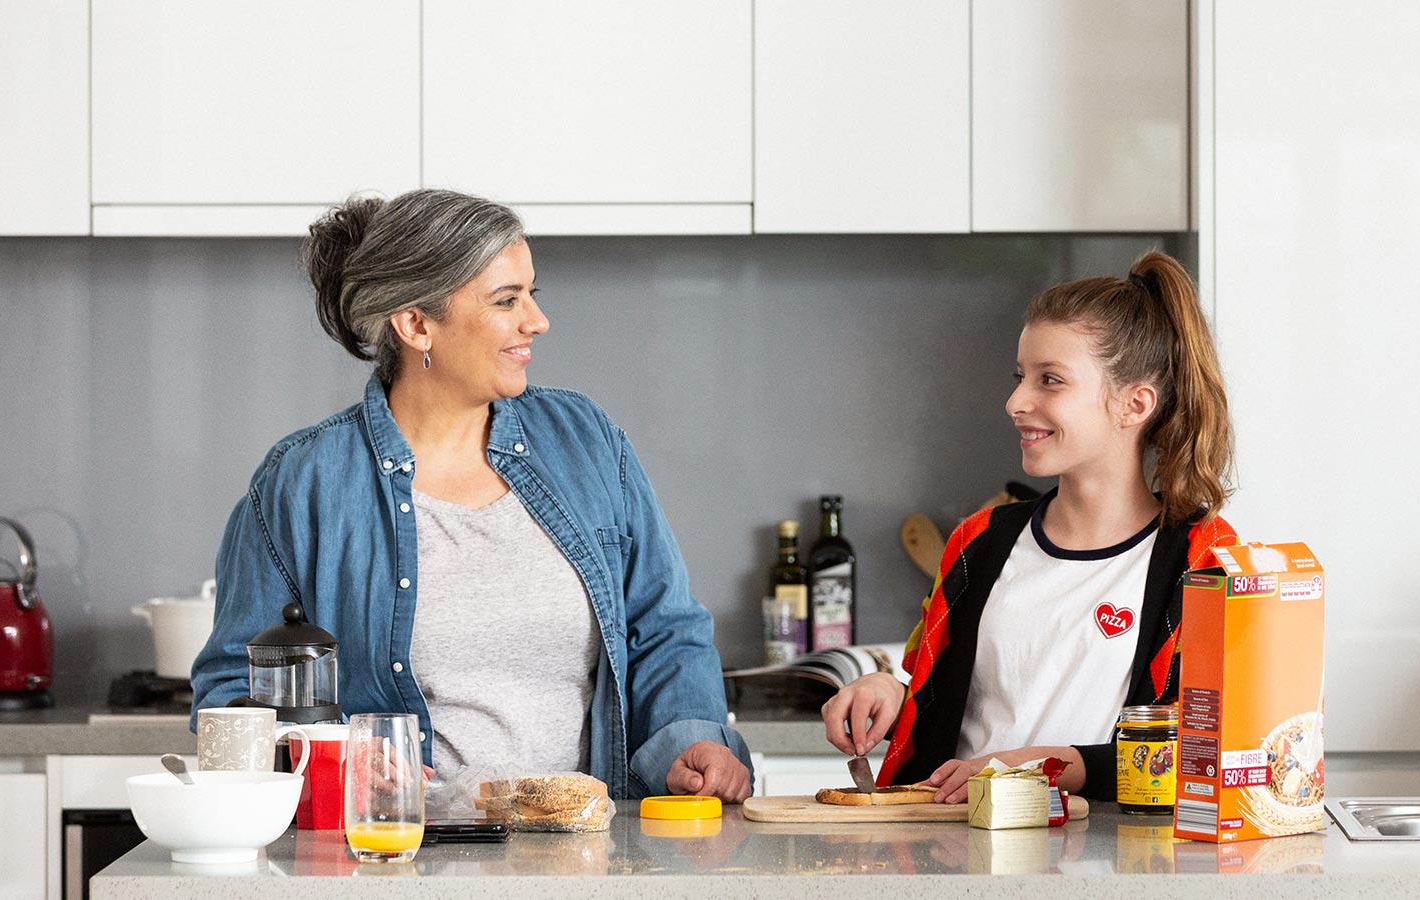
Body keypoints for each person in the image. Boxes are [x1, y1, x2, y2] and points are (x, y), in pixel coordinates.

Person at [192, 189, 752, 802]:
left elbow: (664, 625)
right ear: (416, 324)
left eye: (532, 294)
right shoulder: (303, 483)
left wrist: (691, 739)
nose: (536, 321)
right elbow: (229, 693)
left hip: (588, 852)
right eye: (506, 300)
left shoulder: (585, 440)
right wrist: (336, 759)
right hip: (397, 856)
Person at [820, 250, 1237, 802]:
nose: (1017, 401)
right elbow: (941, 701)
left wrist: (1044, 767)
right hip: (957, 860)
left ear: (1134, 404)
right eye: (1021, 377)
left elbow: (1206, 748)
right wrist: (893, 696)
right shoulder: (980, 541)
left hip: (1109, 872)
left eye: (1050, 380)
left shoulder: (1202, 558)